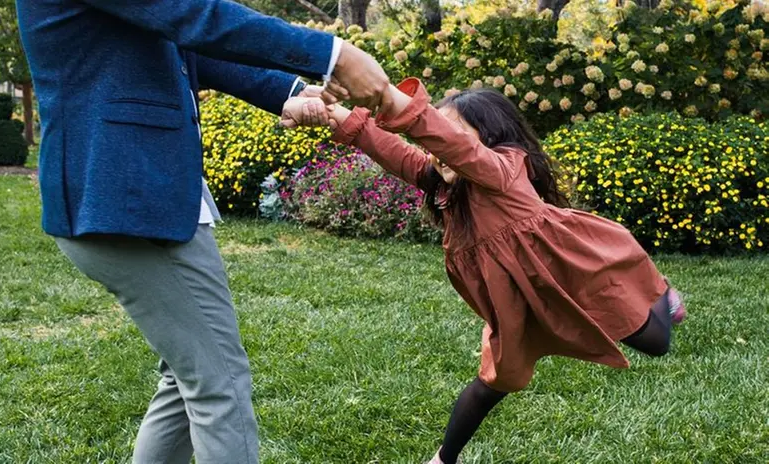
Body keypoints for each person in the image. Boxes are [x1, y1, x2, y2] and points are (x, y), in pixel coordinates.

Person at [15, 0, 389, 462]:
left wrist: (287, 91)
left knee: (188, 377)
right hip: (128, 199)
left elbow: (187, 45)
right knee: (220, 387)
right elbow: (196, 16)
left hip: (133, 194)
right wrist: (337, 55)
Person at [283, 79, 686, 464]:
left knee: (655, 342)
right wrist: (340, 117)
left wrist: (389, 97)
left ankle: (663, 297)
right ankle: (443, 458)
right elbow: (392, 149)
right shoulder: (445, 184)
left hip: (573, 271)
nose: (437, 150)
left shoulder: (502, 169)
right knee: (494, 381)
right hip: (512, 299)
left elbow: (453, 146)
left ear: (488, 136)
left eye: (449, 134)